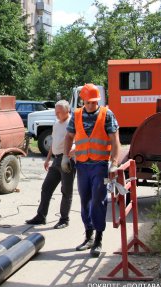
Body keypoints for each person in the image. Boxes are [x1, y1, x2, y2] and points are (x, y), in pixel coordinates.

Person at [62, 83, 121, 257]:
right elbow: (69, 136)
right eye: (88, 102)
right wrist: (66, 156)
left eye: (94, 102)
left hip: (100, 166)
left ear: (98, 100)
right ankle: (88, 235)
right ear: (83, 101)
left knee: (98, 200)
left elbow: (115, 140)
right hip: (82, 165)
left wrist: (115, 162)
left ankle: (98, 239)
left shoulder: (107, 114)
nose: (91, 105)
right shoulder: (77, 114)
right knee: (85, 200)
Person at [25, 100, 76, 229]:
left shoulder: (73, 123)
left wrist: (72, 152)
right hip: (56, 159)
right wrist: (48, 159)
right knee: (46, 188)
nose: (56, 114)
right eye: (55, 111)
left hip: (68, 161)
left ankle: (64, 219)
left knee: (66, 191)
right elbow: (53, 142)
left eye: (59, 112)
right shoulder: (56, 124)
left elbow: (81, 141)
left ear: (67, 111)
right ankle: (41, 216)